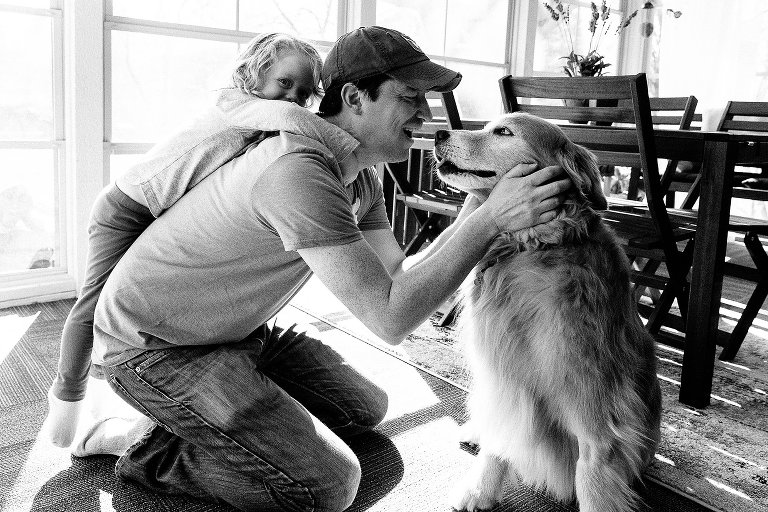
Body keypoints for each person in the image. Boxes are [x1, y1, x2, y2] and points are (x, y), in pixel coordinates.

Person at [76, 26, 571, 512]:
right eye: (410, 97)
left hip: (238, 332)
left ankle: (230, 411)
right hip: (155, 347)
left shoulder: (362, 178)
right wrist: (489, 219)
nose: (425, 114)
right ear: (355, 97)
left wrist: (477, 201)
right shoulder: (298, 169)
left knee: (365, 408)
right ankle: (140, 443)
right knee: (328, 486)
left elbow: (404, 279)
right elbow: (391, 318)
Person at [42, 32, 340, 448]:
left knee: (125, 306)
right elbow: (299, 122)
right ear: (253, 74)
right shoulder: (240, 106)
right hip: (124, 209)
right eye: (284, 83)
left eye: (304, 91)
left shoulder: (265, 125)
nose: (293, 98)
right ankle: (66, 401)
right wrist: (348, 140)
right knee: (94, 305)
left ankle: (108, 393)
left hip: (158, 213)